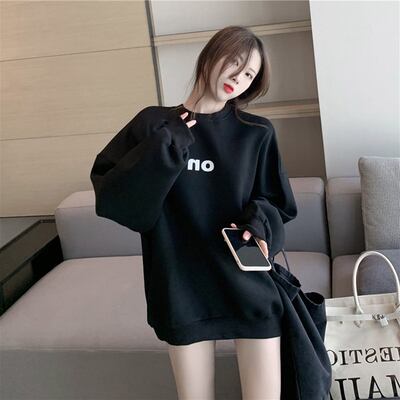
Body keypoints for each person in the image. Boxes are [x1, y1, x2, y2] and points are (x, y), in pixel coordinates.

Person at [90, 25, 297, 400]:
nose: (238, 77)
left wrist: (258, 222)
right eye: (234, 62)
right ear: (210, 55)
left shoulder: (256, 132)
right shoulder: (153, 124)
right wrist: (164, 149)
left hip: (247, 283)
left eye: (249, 74)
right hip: (180, 288)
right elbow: (115, 198)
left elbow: (277, 202)